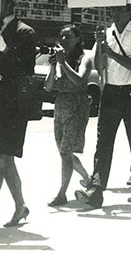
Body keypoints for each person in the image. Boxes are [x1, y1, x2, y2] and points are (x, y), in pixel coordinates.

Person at [75, 4, 131, 208]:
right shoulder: (106, 34)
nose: (114, 13)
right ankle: (96, 190)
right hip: (110, 91)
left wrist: (113, 54)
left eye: (119, 10)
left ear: (130, 12)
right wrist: (100, 47)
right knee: (104, 142)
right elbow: (99, 67)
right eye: (113, 10)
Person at [0, 0, 36, 233]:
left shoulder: (25, 32)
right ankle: (20, 206)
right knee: (5, 159)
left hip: (13, 107)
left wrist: (6, 49)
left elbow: (27, 70)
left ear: (10, 2)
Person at [44, 24, 93, 207]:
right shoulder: (60, 60)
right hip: (61, 105)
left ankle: (61, 193)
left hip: (76, 106)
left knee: (66, 151)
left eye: (68, 36)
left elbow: (80, 80)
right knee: (64, 152)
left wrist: (63, 63)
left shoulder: (84, 59)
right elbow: (49, 87)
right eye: (61, 36)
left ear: (78, 39)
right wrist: (53, 65)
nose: (63, 40)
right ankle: (87, 179)